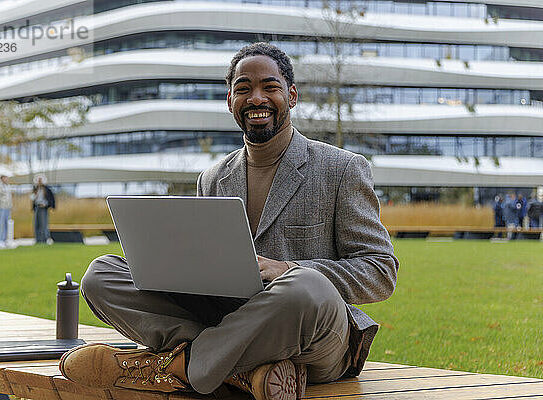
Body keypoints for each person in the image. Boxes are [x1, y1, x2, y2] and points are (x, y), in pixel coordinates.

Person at [59, 43, 399, 400]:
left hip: (314, 336)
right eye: (243, 89)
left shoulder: (342, 168)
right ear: (229, 100)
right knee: (100, 275)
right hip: (230, 320)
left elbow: (380, 271)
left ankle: (169, 368)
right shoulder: (213, 178)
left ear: (292, 96)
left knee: (305, 286)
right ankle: (242, 371)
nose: (256, 98)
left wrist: (290, 268)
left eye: (270, 87)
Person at [31, 174, 55, 244]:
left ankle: (45, 239)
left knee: (43, 224)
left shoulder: (46, 189)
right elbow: (33, 198)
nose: (39, 182)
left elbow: (50, 198)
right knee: (36, 224)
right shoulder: (35, 189)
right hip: (37, 207)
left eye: (40, 180)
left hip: (43, 208)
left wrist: (47, 205)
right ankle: (38, 239)